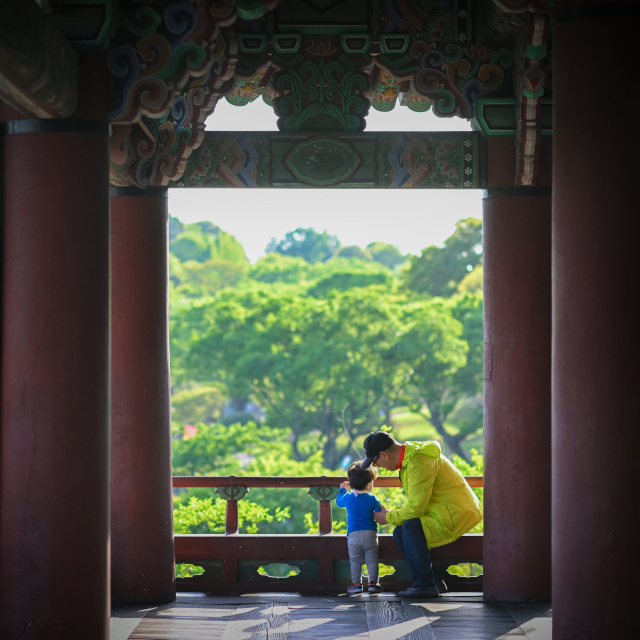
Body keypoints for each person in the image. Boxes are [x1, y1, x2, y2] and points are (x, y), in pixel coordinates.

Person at [363, 431, 483, 598]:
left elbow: (416, 508)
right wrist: (394, 514)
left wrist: (389, 516)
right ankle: (433, 582)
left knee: (411, 528)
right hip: (445, 511)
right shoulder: (411, 458)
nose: (378, 467)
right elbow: (416, 500)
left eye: (376, 463)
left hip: (456, 514)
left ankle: (425, 585)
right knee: (400, 530)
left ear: (384, 454)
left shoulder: (418, 463)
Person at [336, 461, 384, 594]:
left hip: (353, 535)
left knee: (355, 560)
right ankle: (373, 583)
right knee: (372, 559)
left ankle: (357, 585)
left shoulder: (348, 498)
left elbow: (338, 502)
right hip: (370, 534)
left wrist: (342, 490)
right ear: (369, 484)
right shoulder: (372, 498)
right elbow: (378, 512)